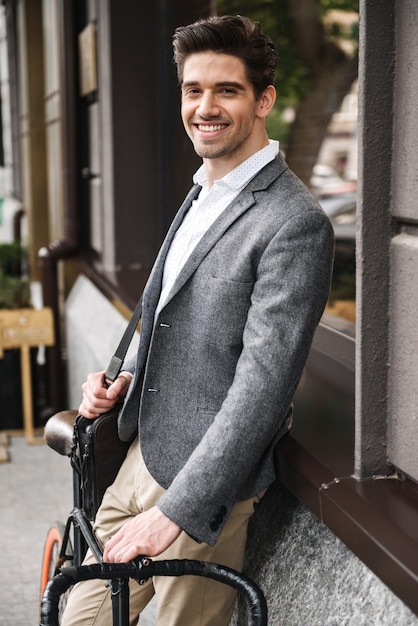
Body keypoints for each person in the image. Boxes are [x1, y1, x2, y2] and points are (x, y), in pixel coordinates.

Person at [62, 14, 334, 626]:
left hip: (202, 489)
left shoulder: (294, 223)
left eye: (227, 90)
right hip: (139, 457)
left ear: (264, 99)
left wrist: (177, 511)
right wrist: (124, 377)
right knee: (76, 617)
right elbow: (174, 315)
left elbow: (263, 389)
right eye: (193, 89)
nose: (204, 107)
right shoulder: (201, 190)